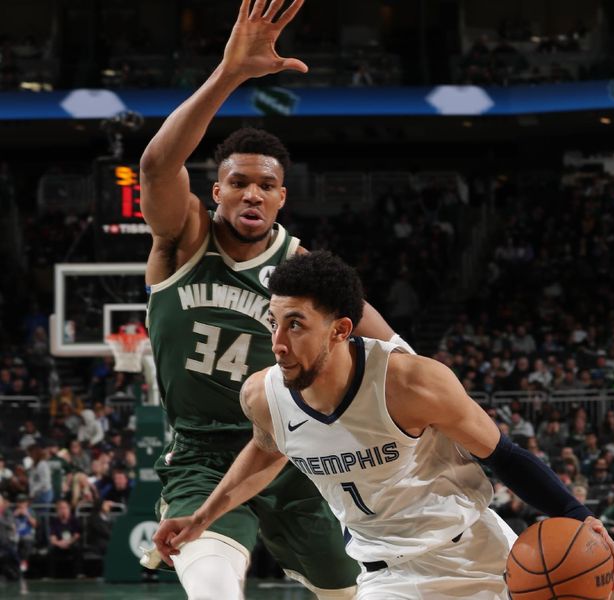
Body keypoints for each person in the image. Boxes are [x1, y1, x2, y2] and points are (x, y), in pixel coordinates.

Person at [153, 251, 614, 599]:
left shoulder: (412, 382)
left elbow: (503, 455)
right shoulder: (263, 395)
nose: (276, 342)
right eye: (272, 322)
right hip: (387, 578)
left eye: (295, 325)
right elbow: (266, 451)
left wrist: (580, 516)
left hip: (478, 557)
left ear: (339, 330)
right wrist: (201, 517)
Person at [140, 2, 409, 598]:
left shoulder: (301, 267)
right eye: (238, 182)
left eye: (265, 185)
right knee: (212, 586)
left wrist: (439, 399)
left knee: (345, 592)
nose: (252, 193)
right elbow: (157, 165)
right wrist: (231, 73)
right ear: (217, 191)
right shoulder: (182, 239)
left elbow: (388, 343)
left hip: (289, 449)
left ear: (282, 198)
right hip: (202, 453)